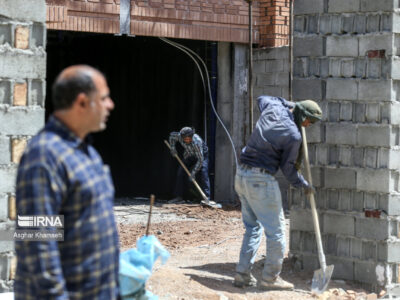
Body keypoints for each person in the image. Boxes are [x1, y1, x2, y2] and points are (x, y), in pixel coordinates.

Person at [14, 65, 119, 299]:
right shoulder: (44, 155)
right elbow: (36, 242)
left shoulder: (86, 152)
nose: (110, 105)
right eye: (104, 98)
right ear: (82, 103)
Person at [233, 96, 322, 290]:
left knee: (253, 228)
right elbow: (288, 170)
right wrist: (304, 185)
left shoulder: (273, 107)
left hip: (241, 175)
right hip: (260, 180)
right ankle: (270, 279)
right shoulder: (293, 135)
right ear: (302, 115)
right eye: (308, 120)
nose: (308, 125)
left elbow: (261, 98)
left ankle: (242, 274)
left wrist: (288, 104)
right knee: (277, 233)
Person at [169, 127, 211, 202]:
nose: (187, 140)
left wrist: (193, 173)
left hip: (202, 156)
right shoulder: (179, 136)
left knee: (203, 172)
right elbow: (171, 136)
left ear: (191, 136)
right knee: (180, 172)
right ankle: (179, 196)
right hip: (189, 154)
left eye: (189, 138)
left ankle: (206, 198)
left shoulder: (196, 142)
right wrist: (173, 148)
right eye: (185, 139)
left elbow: (200, 160)